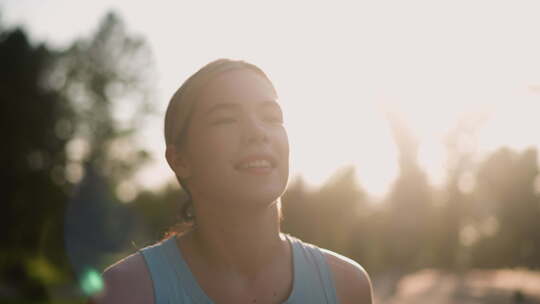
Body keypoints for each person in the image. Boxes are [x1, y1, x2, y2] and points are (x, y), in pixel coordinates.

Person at [90, 59, 373, 304]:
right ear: (180, 160)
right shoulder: (125, 292)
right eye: (226, 119)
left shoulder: (346, 287)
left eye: (271, 116)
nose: (257, 132)